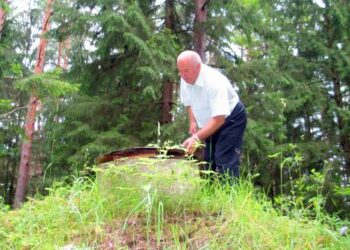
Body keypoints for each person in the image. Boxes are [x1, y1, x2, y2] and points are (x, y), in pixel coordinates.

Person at [178, 50, 247, 180]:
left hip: (231, 119)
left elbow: (219, 119)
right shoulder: (185, 79)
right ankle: (212, 197)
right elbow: (188, 102)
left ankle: (229, 197)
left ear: (198, 67)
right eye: (180, 71)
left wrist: (196, 137)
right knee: (209, 161)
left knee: (224, 160)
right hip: (211, 122)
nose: (182, 75)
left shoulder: (214, 81)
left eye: (186, 71)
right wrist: (192, 121)